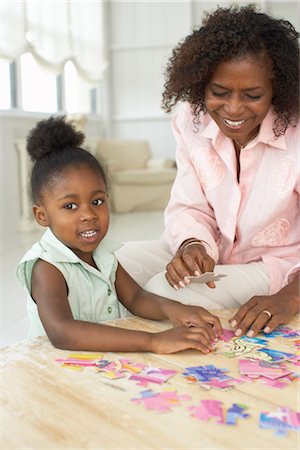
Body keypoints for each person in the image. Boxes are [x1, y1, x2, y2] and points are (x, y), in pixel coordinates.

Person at [115, 4, 300, 339]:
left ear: (277, 88)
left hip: (277, 265)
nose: (233, 109)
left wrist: (290, 297)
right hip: (215, 251)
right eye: (219, 93)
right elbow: (189, 205)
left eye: (253, 95)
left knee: (165, 293)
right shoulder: (191, 119)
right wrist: (191, 245)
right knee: (110, 267)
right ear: (201, 84)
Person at [16, 116, 223, 354]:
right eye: (70, 206)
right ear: (41, 215)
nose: (88, 215)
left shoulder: (103, 253)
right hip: (57, 369)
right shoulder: (46, 266)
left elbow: (135, 297)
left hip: (103, 361)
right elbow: (62, 332)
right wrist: (153, 341)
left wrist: (175, 309)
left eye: (97, 201)